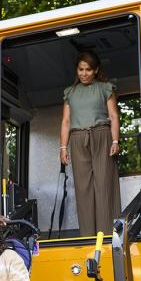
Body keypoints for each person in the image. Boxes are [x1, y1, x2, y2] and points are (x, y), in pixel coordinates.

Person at [60, 50, 122, 237]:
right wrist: (63, 147)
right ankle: (88, 236)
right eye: (81, 69)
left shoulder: (105, 88)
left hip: (101, 134)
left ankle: (109, 235)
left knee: (104, 184)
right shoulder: (70, 92)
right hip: (78, 138)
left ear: (95, 70)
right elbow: (66, 121)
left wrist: (115, 140)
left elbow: (113, 116)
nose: (84, 73)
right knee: (83, 187)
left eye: (88, 69)